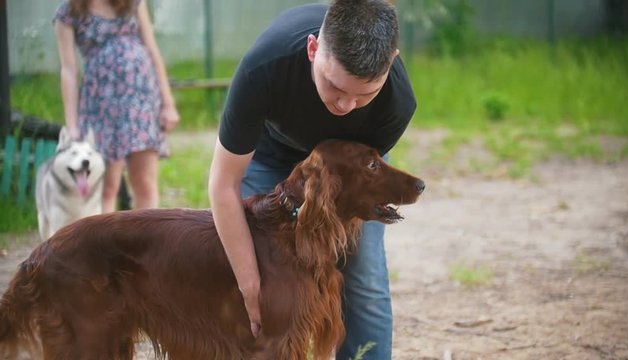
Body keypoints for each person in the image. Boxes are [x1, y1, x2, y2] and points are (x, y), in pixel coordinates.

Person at [208, 0, 416, 358]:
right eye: (335, 87)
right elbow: (223, 185)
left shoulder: (397, 101)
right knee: (255, 271)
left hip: (346, 169)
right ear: (313, 49)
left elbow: (356, 183)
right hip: (270, 154)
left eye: (365, 93)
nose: (345, 106)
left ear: (392, 60)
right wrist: (249, 284)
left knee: (362, 277)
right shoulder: (264, 69)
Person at [54, 0, 180, 212]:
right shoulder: (68, 12)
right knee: (105, 186)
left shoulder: (132, 2)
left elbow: (152, 49)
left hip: (141, 102)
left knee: (145, 183)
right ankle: (103, 244)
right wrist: (72, 125)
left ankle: (147, 243)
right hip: (101, 107)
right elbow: (68, 70)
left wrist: (168, 103)